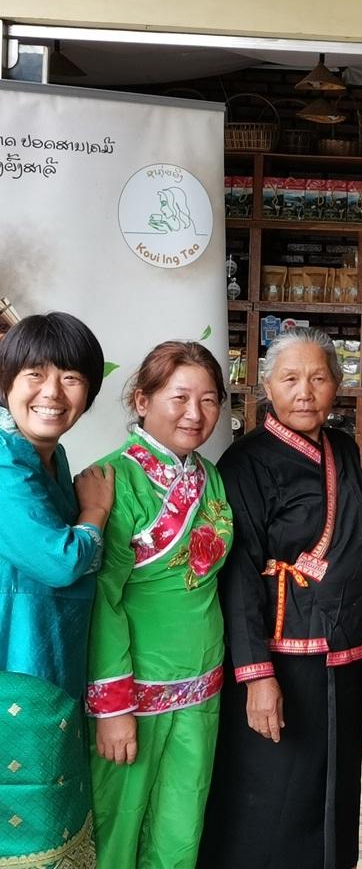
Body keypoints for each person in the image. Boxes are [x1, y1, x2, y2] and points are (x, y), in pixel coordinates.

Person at [198, 328, 362, 869]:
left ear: (337, 386)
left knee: (333, 790)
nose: (305, 392)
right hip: (281, 658)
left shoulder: (343, 448)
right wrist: (256, 676)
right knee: (276, 795)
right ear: (267, 387)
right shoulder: (245, 462)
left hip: (342, 652)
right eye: (290, 378)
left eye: (319, 378)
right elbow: (237, 575)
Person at [87, 342, 231, 869]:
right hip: (134, 694)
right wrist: (113, 709)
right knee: (117, 828)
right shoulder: (111, 480)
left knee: (181, 831)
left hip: (202, 685)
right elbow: (102, 599)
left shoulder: (209, 476)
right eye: (180, 397)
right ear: (142, 400)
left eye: (209, 400)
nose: (196, 414)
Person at [0, 312, 113, 867]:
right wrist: (94, 514)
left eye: (70, 378)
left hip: (51, 667)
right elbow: (59, 560)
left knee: (56, 813)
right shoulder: (4, 462)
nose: (52, 392)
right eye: (34, 375)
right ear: (7, 384)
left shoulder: (53, 457)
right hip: (14, 670)